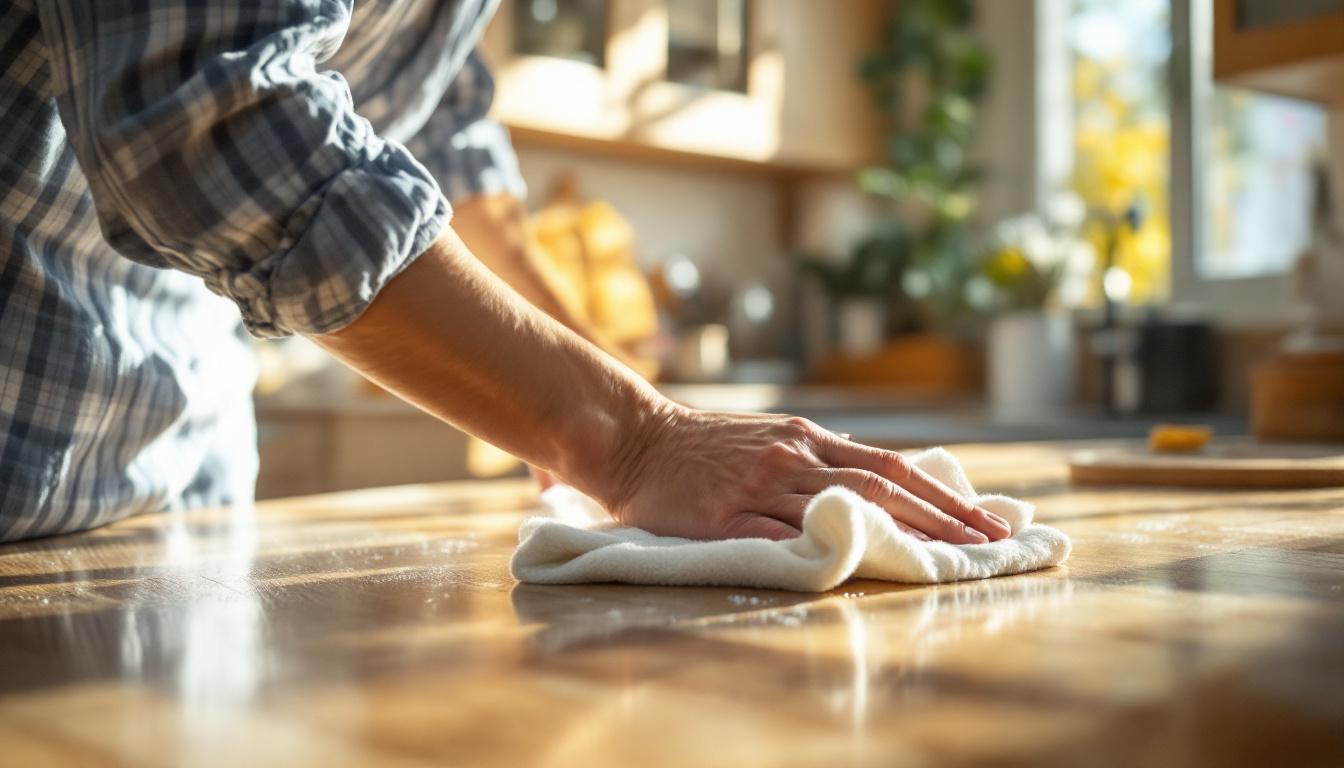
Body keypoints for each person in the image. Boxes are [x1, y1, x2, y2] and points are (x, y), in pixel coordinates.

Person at [0, 0, 1010, 546]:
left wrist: (638, 406)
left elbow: (447, 132)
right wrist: (632, 440)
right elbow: (211, 119)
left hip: (186, 478)